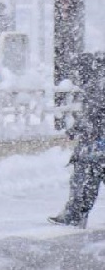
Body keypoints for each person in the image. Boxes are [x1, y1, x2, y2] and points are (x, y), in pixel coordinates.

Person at [49, 52, 105, 228]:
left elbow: (93, 113)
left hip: (96, 141)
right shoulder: (98, 80)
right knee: (89, 176)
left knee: (84, 177)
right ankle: (75, 213)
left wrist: (77, 129)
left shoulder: (98, 82)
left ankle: (74, 214)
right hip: (97, 140)